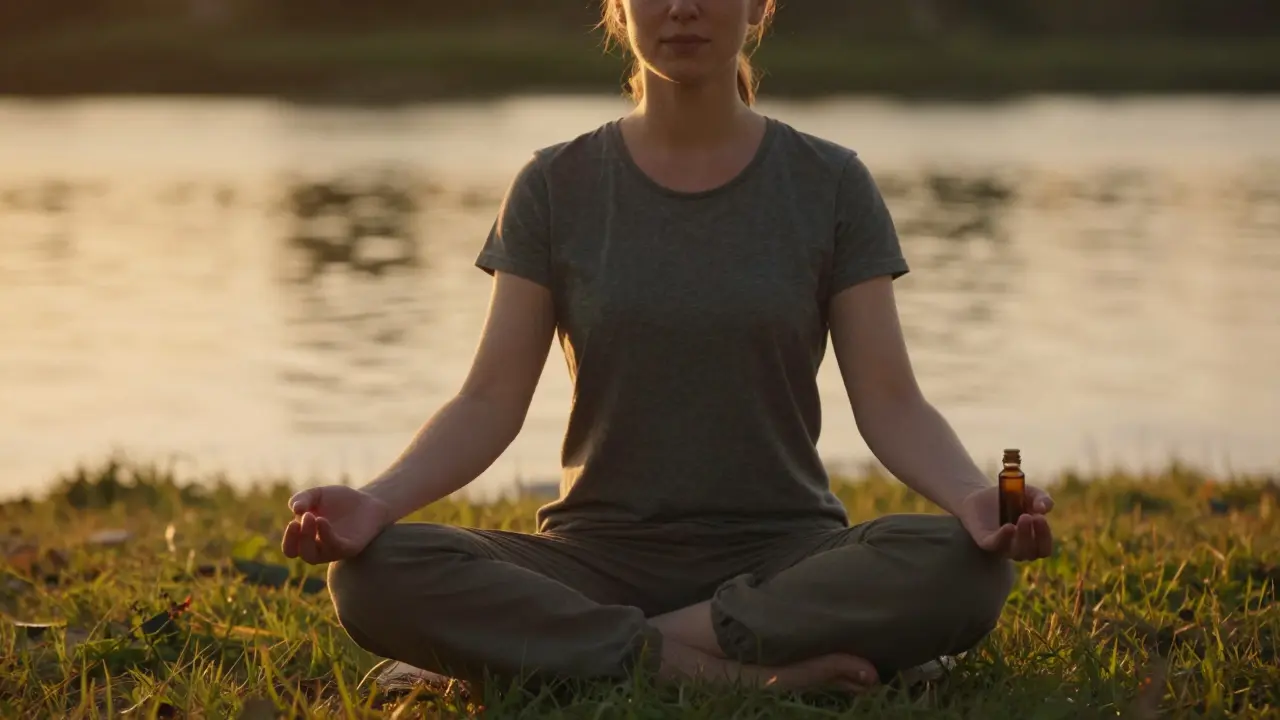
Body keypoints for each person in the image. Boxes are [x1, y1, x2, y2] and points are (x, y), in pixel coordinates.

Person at [281, 0, 1055, 694]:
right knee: (374, 577)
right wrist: (376, 503)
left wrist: (969, 499)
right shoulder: (555, 183)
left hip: (781, 558)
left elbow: (891, 402)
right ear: (617, 9)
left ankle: (588, 649)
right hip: (593, 559)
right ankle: (739, 675)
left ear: (758, 7)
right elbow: (487, 402)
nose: (683, 8)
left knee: (964, 569)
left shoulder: (830, 182)